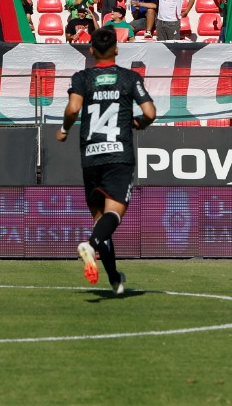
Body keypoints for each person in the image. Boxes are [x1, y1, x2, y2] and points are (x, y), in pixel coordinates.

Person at [57, 26, 157, 295]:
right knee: (114, 214)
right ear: (116, 49)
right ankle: (90, 245)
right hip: (118, 154)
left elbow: (74, 108)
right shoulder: (128, 77)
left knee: (101, 222)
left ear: (91, 51)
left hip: (90, 155)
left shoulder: (82, 78)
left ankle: (114, 279)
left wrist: (65, 129)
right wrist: (139, 122)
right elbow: (150, 112)